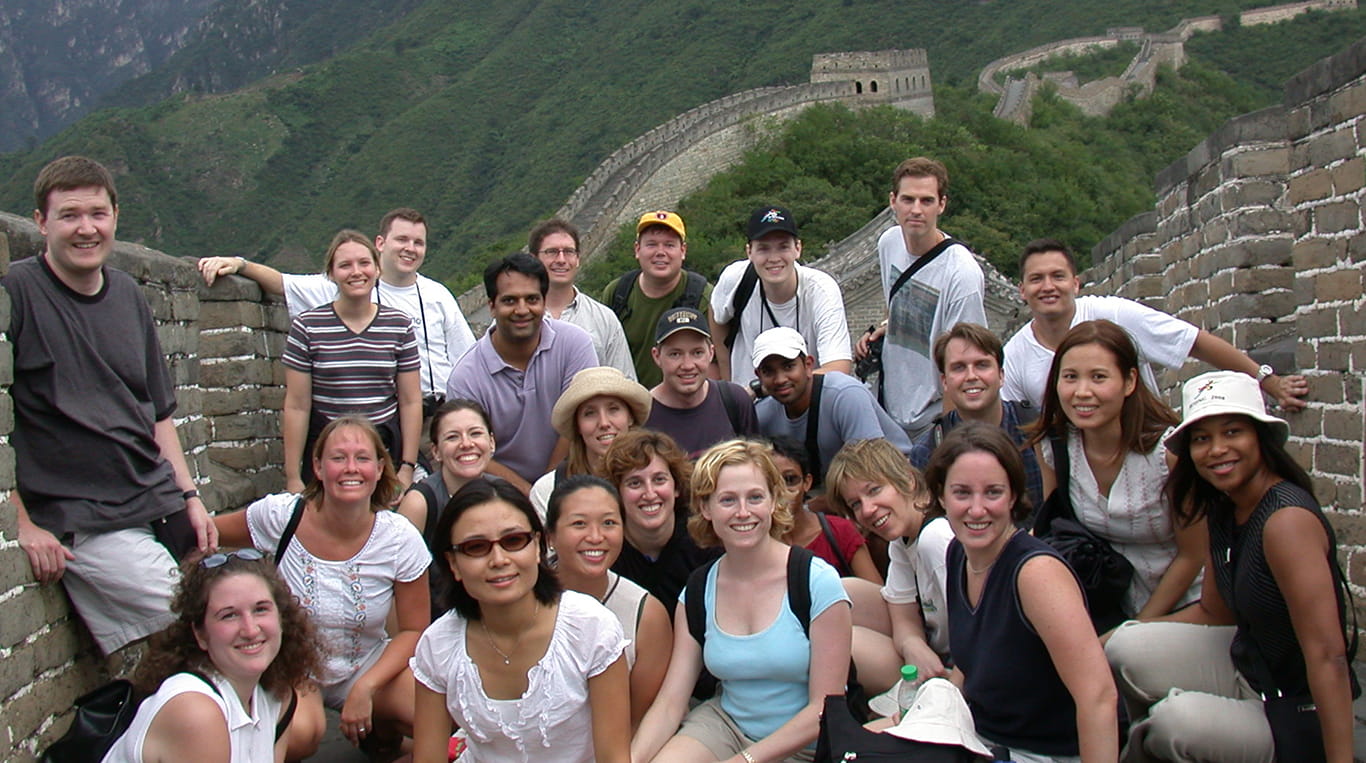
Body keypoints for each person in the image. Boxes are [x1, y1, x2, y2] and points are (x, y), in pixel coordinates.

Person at [6, 155, 216, 657]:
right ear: (41, 222)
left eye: (97, 214)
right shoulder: (16, 292)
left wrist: (190, 497)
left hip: (158, 501)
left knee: (245, 613)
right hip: (86, 517)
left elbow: (158, 413)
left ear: (115, 217)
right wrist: (20, 523)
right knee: (211, 632)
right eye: (69, 215)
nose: (86, 229)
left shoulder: (127, 294)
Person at [1105, 371, 1357, 763]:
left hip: (1293, 707)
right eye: (1202, 439)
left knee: (1175, 720)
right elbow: (1214, 611)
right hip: (1248, 666)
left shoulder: (1285, 521)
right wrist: (1112, 638)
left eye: (1233, 432)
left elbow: (1329, 656)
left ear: (1261, 436)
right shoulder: (1226, 504)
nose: (1217, 450)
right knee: (1127, 646)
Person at [214, 416, 430, 756]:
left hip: (366, 660)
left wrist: (366, 688)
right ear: (317, 466)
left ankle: (379, 735)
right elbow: (209, 533)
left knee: (430, 714)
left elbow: (414, 630)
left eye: (362, 458)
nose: (350, 468)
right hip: (297, 662)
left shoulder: (399, 538)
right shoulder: (282, 516)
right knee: (301, 733)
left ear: (378, 467)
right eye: (338, 457)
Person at [632, 439, 853, 762]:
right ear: (706, 508)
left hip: (803, 742)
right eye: (727, 500)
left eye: (755, 497)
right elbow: (671, 702)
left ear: (774, 501)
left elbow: (824, 708)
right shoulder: (697, 591)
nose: (743, 512)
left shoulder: (816, 582)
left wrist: (745, 760)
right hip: (725, 725)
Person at [928, 423, 1118, 761]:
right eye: (961, 493)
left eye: (992, 492)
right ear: (941, 496)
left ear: (1013, 495)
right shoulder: (958, 553)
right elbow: (971, 664)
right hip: (983, 738)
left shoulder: (1035, 575)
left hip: (1044, 752)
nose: (976, 509)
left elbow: (1098, 696)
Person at [410, 478, 631, 762]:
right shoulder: (438, 645)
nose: (499, 559)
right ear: (453, 563)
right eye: (476, 547)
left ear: (538, 546)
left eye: (513, 541)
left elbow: (614, 757)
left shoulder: (591, 628)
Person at [198, 208, 476, 409]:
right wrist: (240, 264)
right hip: (388, 412)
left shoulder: (438, 295)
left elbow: (467, 360)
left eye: (418, 243)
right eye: (402, 240)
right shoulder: (351, 285)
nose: (410, 249)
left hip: (440, 413)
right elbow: (284, 284)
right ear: (381, 243)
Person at [1002, 238, 1309, 411]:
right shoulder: (1015, 354)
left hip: (1147, 455)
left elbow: (1196, 343)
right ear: (1022, 290)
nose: (1048, 287)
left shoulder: (1114, 316)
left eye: (1058, 276)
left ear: (1076, 284)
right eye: (1036, 279)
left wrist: (1268, 382)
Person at [1028, 320, 1204, 621]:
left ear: (1130, 381)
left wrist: (1138, 626)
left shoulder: (1169, 453)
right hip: (1105, 598)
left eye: (1098, 377)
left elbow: (1194, 554)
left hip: (1183, 604)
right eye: (1070, 377)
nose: (1082, 392)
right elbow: (1053, 529)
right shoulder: (1055, 447)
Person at [104, 550, 321, 762]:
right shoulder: (196, 712)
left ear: (281, 618)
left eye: (260, 609)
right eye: (229, 615)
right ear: (201, 635)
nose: (251, 630)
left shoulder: (276, 695)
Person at [281, 230, 422, 493]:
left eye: (364, 263)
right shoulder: (308, 327)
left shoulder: (399, 325)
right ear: (331, 274)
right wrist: (292, 476)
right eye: (345, 265)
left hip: (383, 447)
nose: (356, 272)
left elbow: (410, 400)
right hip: (327, 448)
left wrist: (406, 467)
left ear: (377, 269)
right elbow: (297, 405)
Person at [855, 157, 986, 439]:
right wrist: (886, 329)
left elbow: (965, 362)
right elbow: (900, 303)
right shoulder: (889, 243)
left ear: (942, 204)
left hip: (931, 421)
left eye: (926, 201)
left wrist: (949, 438)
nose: (916, 210)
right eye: (908, 199)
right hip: (887, 410)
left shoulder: (962, 275)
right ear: (893, 201)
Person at [445, 253, 597, 491]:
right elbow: (473, 452)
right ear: (491, 306)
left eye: (532, 299)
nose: (522, 309)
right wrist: (530, 497)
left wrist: (548, 491)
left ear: (544, 301)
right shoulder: (466, 378)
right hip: (498, 492)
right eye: (510, 301)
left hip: (573, 479)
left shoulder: (574, 345)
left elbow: (581, 419)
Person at [826, 437, 953, 697]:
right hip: (932, 645)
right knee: (837, 596)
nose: (868, 510)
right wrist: (912, 644)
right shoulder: (901, 539)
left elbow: (983, 627)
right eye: (855, 504)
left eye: (874, 490)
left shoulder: (937, 537)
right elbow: (902, 612)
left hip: (960, 666)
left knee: (842, 643)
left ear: (907, 479)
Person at [545, 475, 673, 730]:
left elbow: (636, 720)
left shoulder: (646, 614)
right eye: (579, 524)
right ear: (550, 537)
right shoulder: (521, 596)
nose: (595, 536)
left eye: (609, 523)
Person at [709, 204, 852, 386]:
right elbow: (716, 312)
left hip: (805, 401)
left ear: (797, 248)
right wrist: (728, 378)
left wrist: (770, 388)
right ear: (749, 252)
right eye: (763, 248)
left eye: (783, 247)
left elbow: (838, 369)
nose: (774, 258)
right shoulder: (736, 279)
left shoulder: (820, 291)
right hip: (749, 405)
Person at [909, 322, 1043, 511]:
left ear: (1001, 375)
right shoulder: (928, 452)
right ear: (945, 382)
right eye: (959, 368)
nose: (971, 376)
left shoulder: (1037, 429)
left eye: (982, 365)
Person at [753, 327, 912, 486]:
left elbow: (871, 471)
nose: (780, 379)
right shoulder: (762, 414)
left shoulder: (846, 395)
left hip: (892, 480)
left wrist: (823, 503)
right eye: (769, 372)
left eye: (788, 367)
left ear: (808, 365)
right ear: (758, 376)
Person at [601, 429, 720, 616]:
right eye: (634, 483)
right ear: (617, 493)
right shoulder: (606, 551)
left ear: (677, 487)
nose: (649, 494)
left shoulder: (706, 543)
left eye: (659, 480)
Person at [599, 210, 714, 387]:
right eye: (651, 245)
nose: (660, 252)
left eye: (669, 245)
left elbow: (714, 363)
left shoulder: (703, 296)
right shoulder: (617, 293)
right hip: (628, 405)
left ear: (683, 251)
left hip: (685, 405)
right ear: (637, 250)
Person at [530, 366, 652, 519]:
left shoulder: (655, 482)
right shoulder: (547, 490)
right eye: (590, 413)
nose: (604, 423)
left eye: (613, 409)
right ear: (577, 426)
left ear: (630, 417)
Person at [528, 218, 636, 379]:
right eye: (552, 252)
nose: (561, 260)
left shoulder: (604, 319)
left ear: (577, 259)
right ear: (534, 259)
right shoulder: (517, 317)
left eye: (569, 252)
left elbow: (624, 382)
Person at [645, 306, 759, 457]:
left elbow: (757, 467)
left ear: (711, 353)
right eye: (675, 354)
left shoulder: (734, 401)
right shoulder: (643, 412)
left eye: (697, 353)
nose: (687, 365)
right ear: (657, 356)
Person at [768, 436, 881, 584]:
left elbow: (875, 594)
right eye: (771, 482)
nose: (781, 491)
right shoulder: (755, 542)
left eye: (790, 480)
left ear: (807, 482)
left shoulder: (840, 531)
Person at [397, 398, 497, 553]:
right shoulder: (419, 504)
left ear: (491, 443)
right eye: (452, 437)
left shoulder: (503, 493)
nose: (466, 444)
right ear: (436, 451)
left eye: (475, 433)